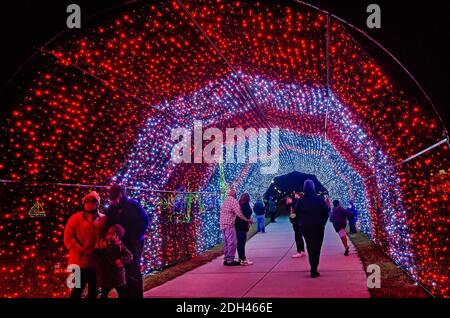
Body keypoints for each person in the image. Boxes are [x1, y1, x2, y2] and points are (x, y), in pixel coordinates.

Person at [105, 185, 149, 298]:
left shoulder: (132, 206)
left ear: (120, 193)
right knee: (121, 272)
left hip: (131, 244)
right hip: (117, 244)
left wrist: (132, 238)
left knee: (132, 271)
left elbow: (143, 222)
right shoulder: (112, 208)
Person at [64, 191, 107, 298]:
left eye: (93, 201)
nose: (91, 203)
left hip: (95, 262)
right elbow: (68, 238)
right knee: (78, 289)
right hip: (79, 261)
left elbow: (106, 236)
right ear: (84, 203)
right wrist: (81, 250)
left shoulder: (103, 218)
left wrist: (102, 246)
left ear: (98, 203)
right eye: (88, 201)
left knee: (93, 290)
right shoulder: (75, 218)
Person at [294, 180, 329, 278]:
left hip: (305, 226)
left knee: (309, 246)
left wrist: (301, 223)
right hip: (318, 225)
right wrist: (323, 223)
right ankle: (314, 267)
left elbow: (297, 213)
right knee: (317, 246)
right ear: (313, 187)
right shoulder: (319, 199)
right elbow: (325, 212)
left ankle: (313, 267)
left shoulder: (301, 200)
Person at [95, 224, 133, 298]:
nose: (110, 236)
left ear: (117, 236)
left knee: (122, 293)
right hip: (106, 275)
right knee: (104, 293)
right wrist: (98, 249)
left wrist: (121, 261)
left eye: (113, 234)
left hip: (118, 275)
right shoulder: (103, 245)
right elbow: (97, 257)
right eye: (108, 234)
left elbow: (130, 255)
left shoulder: (119, 246)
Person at [220, 188, 252, 266]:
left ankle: (226, 259)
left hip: (222, 224)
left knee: (226, 243)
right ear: (234, 194)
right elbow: (239, 213)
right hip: (229, 224)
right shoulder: (233, 201)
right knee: (232, 243)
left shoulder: (225, 200)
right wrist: (248, 220)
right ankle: (230, 260)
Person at [236, 193, 254, 266]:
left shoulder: (238, 204)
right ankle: (243, 259)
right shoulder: (245, 205)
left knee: (239, 243)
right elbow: (247, 214)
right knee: (242, 243)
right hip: (242, 226)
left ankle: (240, 258)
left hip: (237, 225)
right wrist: (249, 219)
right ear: (247, 198)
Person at [288, 192, 306, 258]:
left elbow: (295, 214)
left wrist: (291, 204)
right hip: (301, 222)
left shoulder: (297, 203)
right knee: (300, 236)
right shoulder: (302, 202)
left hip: (297, 222)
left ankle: (300, 251)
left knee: (298, 236)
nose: (294, 195)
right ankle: (302, 250)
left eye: (295, 194)